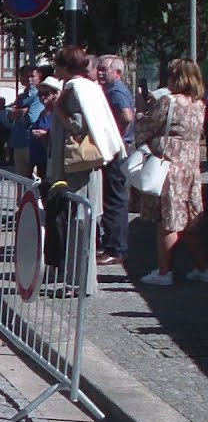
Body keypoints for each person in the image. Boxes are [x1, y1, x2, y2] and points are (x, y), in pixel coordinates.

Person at [46, 45, 125, 297]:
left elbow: (78, 126)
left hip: (78, 168)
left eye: (57, 64)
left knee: (79, 222)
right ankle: (79, 281)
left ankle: (80, 283)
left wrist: (56, 108)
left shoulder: (73, 89)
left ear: (66, 66)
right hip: (87, 167)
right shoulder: (90, 87)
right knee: (82, 222)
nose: (55, 69)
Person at [132, 59, 208, 285]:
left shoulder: (168, 101)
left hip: (169, 165)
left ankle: (164, 272)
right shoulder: (198, 104)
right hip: (190, 166)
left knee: (167, 220)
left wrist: (140, 114)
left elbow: (147, 127)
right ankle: (202, 267)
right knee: (190, 220)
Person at [96, 54, 136, 266]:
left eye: (105, 69)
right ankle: (111, 244)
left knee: (115, 200)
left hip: (117, 150)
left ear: (117, 73)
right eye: (99, 69)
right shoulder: (109, 90)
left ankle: (116, 248)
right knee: (111, 198)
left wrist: (115, 136)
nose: (100, 73)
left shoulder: (116, 91)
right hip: (117, 148)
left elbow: (127, 116)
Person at [8, 65, 45, 179]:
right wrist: (21, 111)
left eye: (32, 76)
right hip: (18, 141)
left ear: (39, 77)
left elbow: (31, 117)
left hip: (31, 142)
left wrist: (17, 112)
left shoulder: (39, 95)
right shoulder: (21, 97)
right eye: (25, 76)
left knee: (33, 179)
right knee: (20, 179)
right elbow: (8, 115)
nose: (29, 79)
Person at [28, 76, 62, 176]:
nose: (42, 97)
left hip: (51, 161)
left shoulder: (58, 113)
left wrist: (46, 135)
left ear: (56, 93)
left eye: (46, 94)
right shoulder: (43, 112)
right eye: (40, 94)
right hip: (37, 159)